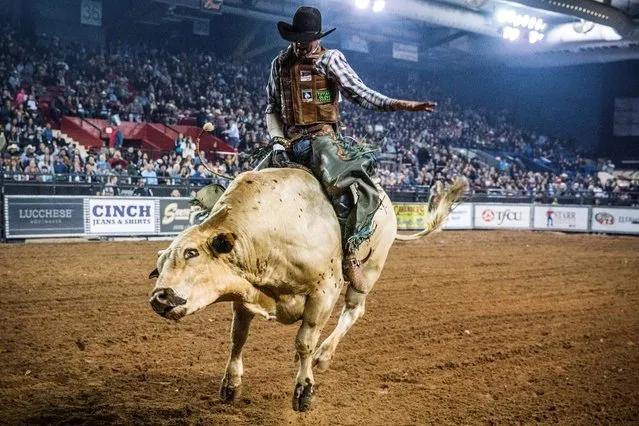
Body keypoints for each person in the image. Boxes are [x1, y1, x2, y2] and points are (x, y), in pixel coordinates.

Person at [265, 6, 437, 294]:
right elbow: (272, 108)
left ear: (316, 38)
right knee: (248, 183)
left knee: (344, 188)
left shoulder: (331, 60)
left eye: (305, 39)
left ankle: (350, 254)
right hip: (288, 141)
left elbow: (362, 94)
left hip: (323, 138)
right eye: (296, 38)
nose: (300, 44)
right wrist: (276, 140)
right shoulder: (279, 63)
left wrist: (401, 105)